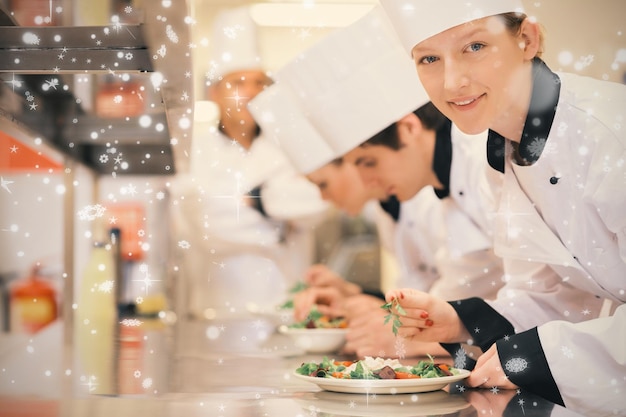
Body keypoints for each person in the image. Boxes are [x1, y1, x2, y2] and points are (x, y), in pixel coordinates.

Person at [379, 0, 625, 414]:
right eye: (429, 59)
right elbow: (553, 294)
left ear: (528, 39)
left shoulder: (610, 134)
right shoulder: (502, 154)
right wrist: (459, 319)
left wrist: (543, 354)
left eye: (475, 47)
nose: (452, 81)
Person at [266, 5, 506, 358]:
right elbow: (451, 299)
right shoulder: (444, 187)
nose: (366, 180)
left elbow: (534, 305)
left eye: (367, 162)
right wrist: (361, 303)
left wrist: (413, 340)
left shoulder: (487, 166)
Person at [170, 6, 328, 322]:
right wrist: (278, 221)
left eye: (260, 83)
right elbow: (202, 225)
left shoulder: (293, 147)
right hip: (216, 309)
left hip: (286, 308)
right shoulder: (193, 153)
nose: (252, 93)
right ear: (215, 92)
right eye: (239, 83)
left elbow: (319, 204)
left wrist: (244, 203)